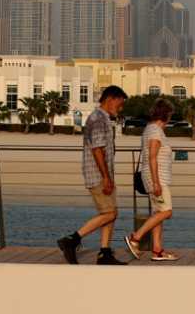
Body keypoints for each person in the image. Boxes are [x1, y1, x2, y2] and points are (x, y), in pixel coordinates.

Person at [57, 85, 128, 265]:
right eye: (119, 105)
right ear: (110, 99)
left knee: (111, 212)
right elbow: (97, 150)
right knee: (109, 213)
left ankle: (104, 253)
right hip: (98, 175)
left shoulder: (102, 119)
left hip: (103, 173)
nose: (120, 109)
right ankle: (72, 240)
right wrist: (105, 177)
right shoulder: (98, 119)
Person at [125, 98, 179, 262]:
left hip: (152, 176)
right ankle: (136, 238)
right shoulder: (155, 131)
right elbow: (152, 157)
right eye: (170, 113)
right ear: (166, 114)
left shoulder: (150, 129)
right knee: (166, 211)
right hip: (157, 178)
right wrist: (156, 182)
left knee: (158, 212)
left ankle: (157, 250)